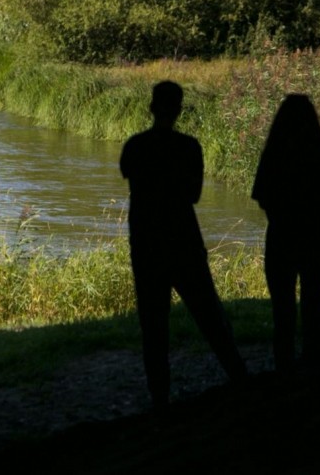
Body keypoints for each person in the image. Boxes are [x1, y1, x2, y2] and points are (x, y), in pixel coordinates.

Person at [120, 81, 247, 409]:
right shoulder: (191, 148)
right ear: (179, 109)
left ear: (151, 108)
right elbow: (193, 195)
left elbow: (129, 177)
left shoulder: (134, 147)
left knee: (153, 324)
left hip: (146, 245)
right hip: (183, 242)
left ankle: (159, 398)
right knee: (209, 313)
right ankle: (239, 376)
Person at [251, 94, 320, 374]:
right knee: (314, 312)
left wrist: (282, 217)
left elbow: (262, 197)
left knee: (283, 315)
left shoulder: (273, 157)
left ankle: (284, 373)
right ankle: (312, 373)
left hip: (282, 240)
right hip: (318, 240)